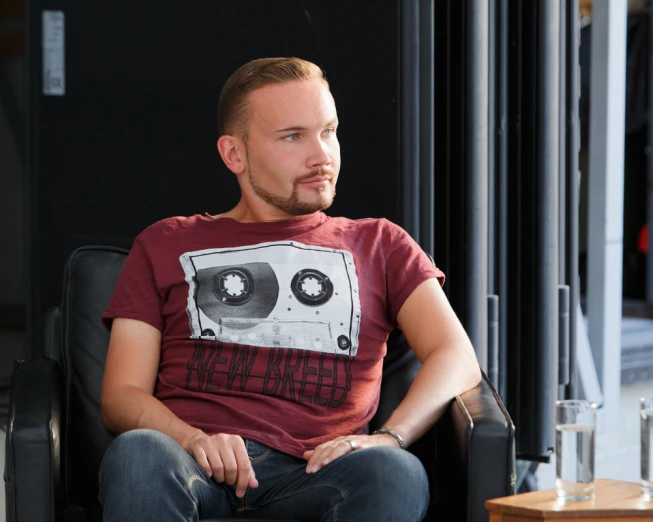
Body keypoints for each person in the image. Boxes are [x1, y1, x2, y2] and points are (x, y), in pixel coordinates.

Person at [98, 56, 482, 522]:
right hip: (193, 463)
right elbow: (121, 395)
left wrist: (390, 437)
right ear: (234, 154)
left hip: (320, 472)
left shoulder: (381, 243)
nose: (322, 155)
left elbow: (455, 355)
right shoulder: (165, 243)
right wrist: (194, 440)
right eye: (292, 137)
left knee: (392, 470)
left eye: (329, 131)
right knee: (138, 452)